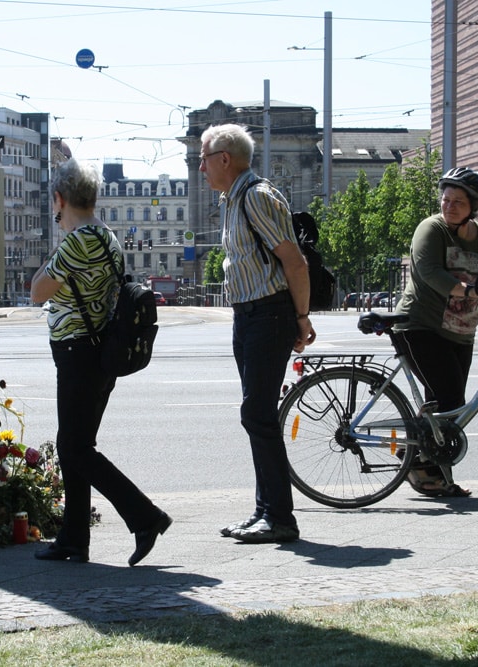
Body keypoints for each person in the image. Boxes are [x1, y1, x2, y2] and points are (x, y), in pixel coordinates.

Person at [29, 158, 171, 566]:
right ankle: (74, 538)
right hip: (97, 351)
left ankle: (145, 517)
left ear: (59, 199)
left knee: (74, 448)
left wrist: (60, 244)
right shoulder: (106, 235)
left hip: (79, 353)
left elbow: (39, 290)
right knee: (75, 444)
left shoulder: (78, 242)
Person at [199, 124, 316, 544]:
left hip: (269, 315)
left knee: (258, 414)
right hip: (248, 316)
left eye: (204, 158)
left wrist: (301, 318)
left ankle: (281, 518)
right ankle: (265, 511)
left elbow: (295, 263)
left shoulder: (256, 197)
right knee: (257, 416)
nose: (200, 167)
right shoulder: (231, 199)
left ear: (225, 159)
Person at [393, 167, 478, 497]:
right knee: (450, 398)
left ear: (474, 206)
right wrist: (470, 290)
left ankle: (428, 468)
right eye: (446, 199)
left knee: (448, 406)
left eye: (458, 201)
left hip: (460, 332)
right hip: (420, 325)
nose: (449, 206)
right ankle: (417, 462)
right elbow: (428, 271)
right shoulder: (431, 229)